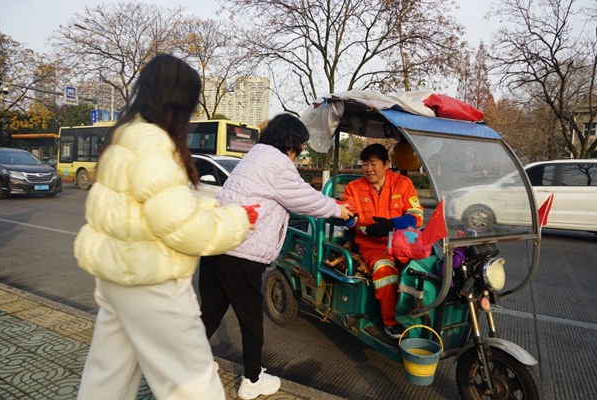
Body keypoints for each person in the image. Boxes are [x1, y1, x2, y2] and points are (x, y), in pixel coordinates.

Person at [74, 54, 252, 400]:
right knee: (193, 384)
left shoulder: (124, 138)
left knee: (107, 380)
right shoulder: (154, 145)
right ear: (178, 103)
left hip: (116, 278)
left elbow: (146, 208)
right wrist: (239, 219)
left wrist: (208, 207)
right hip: (152, 281)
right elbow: (183, 230)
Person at [198, 113, 353, 400]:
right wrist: (338, 209)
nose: (300, 152)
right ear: (291, 141)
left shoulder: (255, 156)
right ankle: (252, 380)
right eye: (300, 145)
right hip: (241, 253)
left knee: (209, 312)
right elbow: (305, 199)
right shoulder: (277, 163)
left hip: (216, 244)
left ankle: (187, 365)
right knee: (251, 320)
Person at [339, 143, 423, 339]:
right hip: (372, 245)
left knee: (425, 269)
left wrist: (392, 224)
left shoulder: (403, 184)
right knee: (385, 271)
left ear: (386, 164)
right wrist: (345, 218)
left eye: (373, 163)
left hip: (404, 243)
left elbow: (416, 216)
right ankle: (390, 322)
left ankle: (419, 317)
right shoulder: (354, 188)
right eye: (364, 164)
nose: (368, 169)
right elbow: (349, 218)